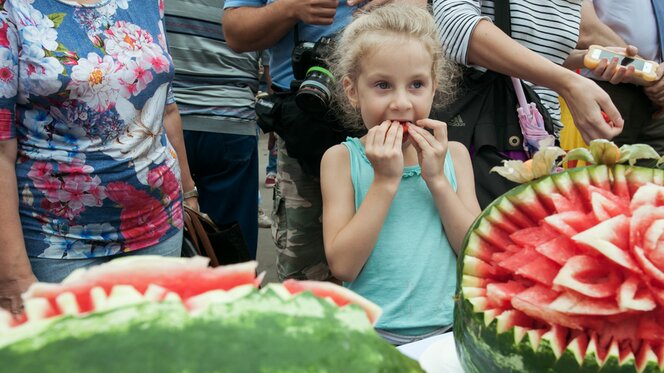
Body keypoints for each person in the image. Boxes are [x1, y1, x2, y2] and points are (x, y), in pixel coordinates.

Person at [0, 0, 196, 315]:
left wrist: (189, 192)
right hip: (59, 244)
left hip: (159, 228)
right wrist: (11, 272)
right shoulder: (12, 11)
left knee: (149, 356)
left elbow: (166, 107)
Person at [321, 3, 481, 345]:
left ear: (434, 87)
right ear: (352, 90)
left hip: (451, 332)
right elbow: (344, 266)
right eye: (382, 85)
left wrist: (437, 180)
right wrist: (384, 181)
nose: (401, 103)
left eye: (416, 84)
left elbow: (476, 252)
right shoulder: (340, 160)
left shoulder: (453, 155)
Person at [223, 0, 411, 281]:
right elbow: (235, 31)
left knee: (398, 263)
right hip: (307, 118)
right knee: (308, 277)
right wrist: (291, 9)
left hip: (390, 116)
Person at [432, 0, 627, 141]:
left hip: (541, 136)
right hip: (483, 135)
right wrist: (568, 83)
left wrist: (585, 58)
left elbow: (528, 51)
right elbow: (453, 27)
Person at [165, 0, 265, 259]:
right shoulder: (247, 5)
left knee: (169, 238)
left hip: (170, 121)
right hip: (230, 121)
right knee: (232, 245)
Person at [583, 0, 664, 153]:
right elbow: (585, 28)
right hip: (602, 89)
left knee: (661, 173)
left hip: (654, 97)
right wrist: (651, 76)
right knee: (601, 173)